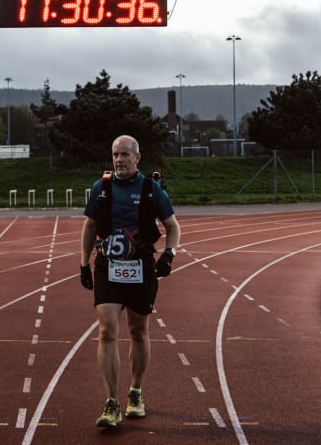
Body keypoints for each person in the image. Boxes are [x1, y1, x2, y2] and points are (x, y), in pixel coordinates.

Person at [79, 134, 181, 429]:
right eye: (115, 154)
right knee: (106, 331)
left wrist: (169, 254)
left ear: (137, 157)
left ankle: (135, 392)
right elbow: (89, 226)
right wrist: (83, 264)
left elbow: (172, 226)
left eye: (125, 154)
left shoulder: (151, 189)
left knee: (138, 331)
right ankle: (111, 402)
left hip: (140, 267)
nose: (119, 160)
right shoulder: (101, 188)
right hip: (108, 267)